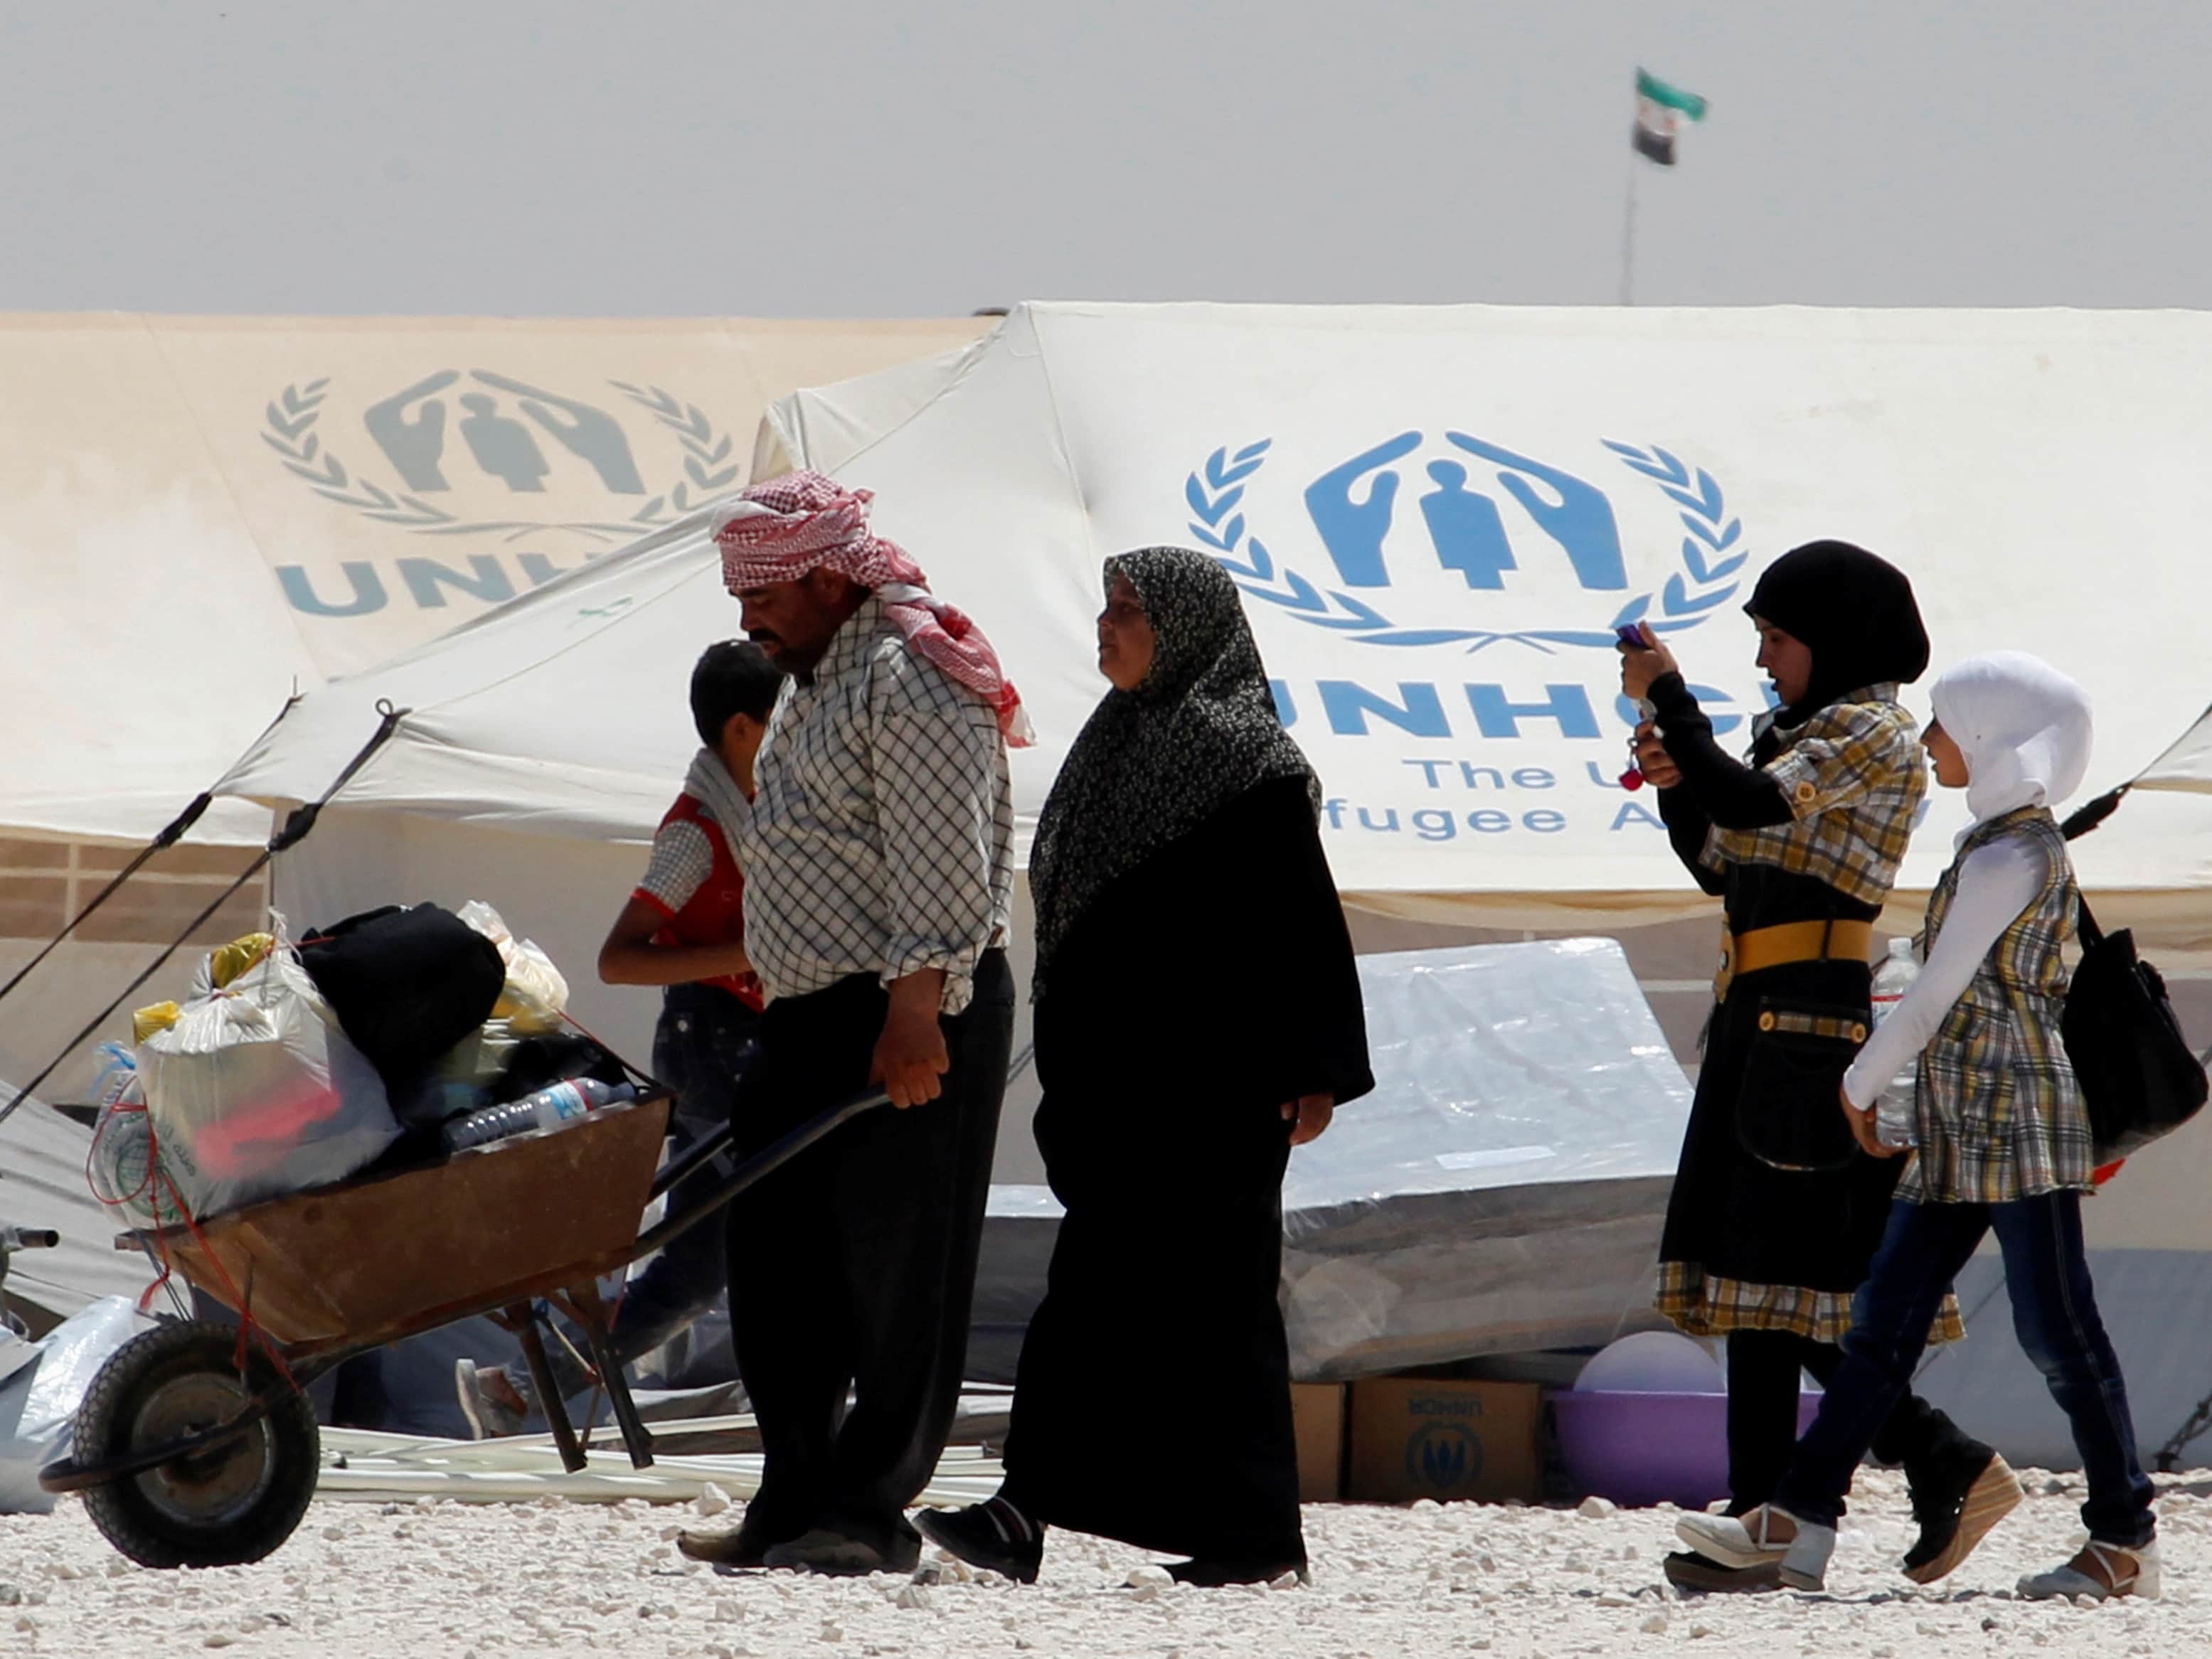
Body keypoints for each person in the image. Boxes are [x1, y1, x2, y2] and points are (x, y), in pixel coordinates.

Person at [910, 548, 1374, 1589]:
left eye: (1128, 611)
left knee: (1199, 1310)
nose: (1105, 627)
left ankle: (1055, 1513)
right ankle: (1194, 1529)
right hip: (1125, 1092)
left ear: (1187, 627)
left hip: (1213, 1090)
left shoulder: (1243, 759)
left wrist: (1313, 1071)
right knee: (1116, 1300)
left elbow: (1299, 923)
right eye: (1107, 608)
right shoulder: (1118, 740)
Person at [1677, 652, 2160, 1600]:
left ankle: (2124, 1536)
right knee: (1881, 1327)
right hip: (1957, 1120)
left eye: (1944, 726)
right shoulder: (1996, 842)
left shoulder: (2009, 852)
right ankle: (1799, 1519)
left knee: (2058, 1332)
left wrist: (1856, 1084)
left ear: (1989, 736)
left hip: (2015, 1119)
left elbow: (1936, 988)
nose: (1931, 742)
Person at [1620, 541, 2008, 1594]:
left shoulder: (1868, 730)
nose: (1765, 662)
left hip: (1807, 1025)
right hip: (1756, 1014)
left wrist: (1677, 709)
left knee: (1792, 1292)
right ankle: (1774, 1518)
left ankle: (1937, 1459)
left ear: (1834, 641)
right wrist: (1672, 773)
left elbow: (1748, 806)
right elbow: (1720, 853)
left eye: (1777, 639)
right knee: (1756, 1290)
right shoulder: (1799, 732)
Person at [676, 471, 1022, 1577]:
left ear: (827, 577)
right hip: (809, 1014)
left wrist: (915, 1008)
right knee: (776, 1261)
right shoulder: (819, 673)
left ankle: (868, 1509)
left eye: (762, 592)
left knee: (896, 1270)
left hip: (907, 1012)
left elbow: (943, 862)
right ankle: (789, 1497)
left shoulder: (910, 672)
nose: (746, 618)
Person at [455, 640, 782, 1437]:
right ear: (743, 729)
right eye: (782, 719)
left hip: (736, 1041)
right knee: (773, 1234)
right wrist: (742, 953)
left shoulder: (756, 815)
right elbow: (619, 956)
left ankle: (521, 1388)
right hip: (715, 1046)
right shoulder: (697, 835)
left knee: (700, 1265)